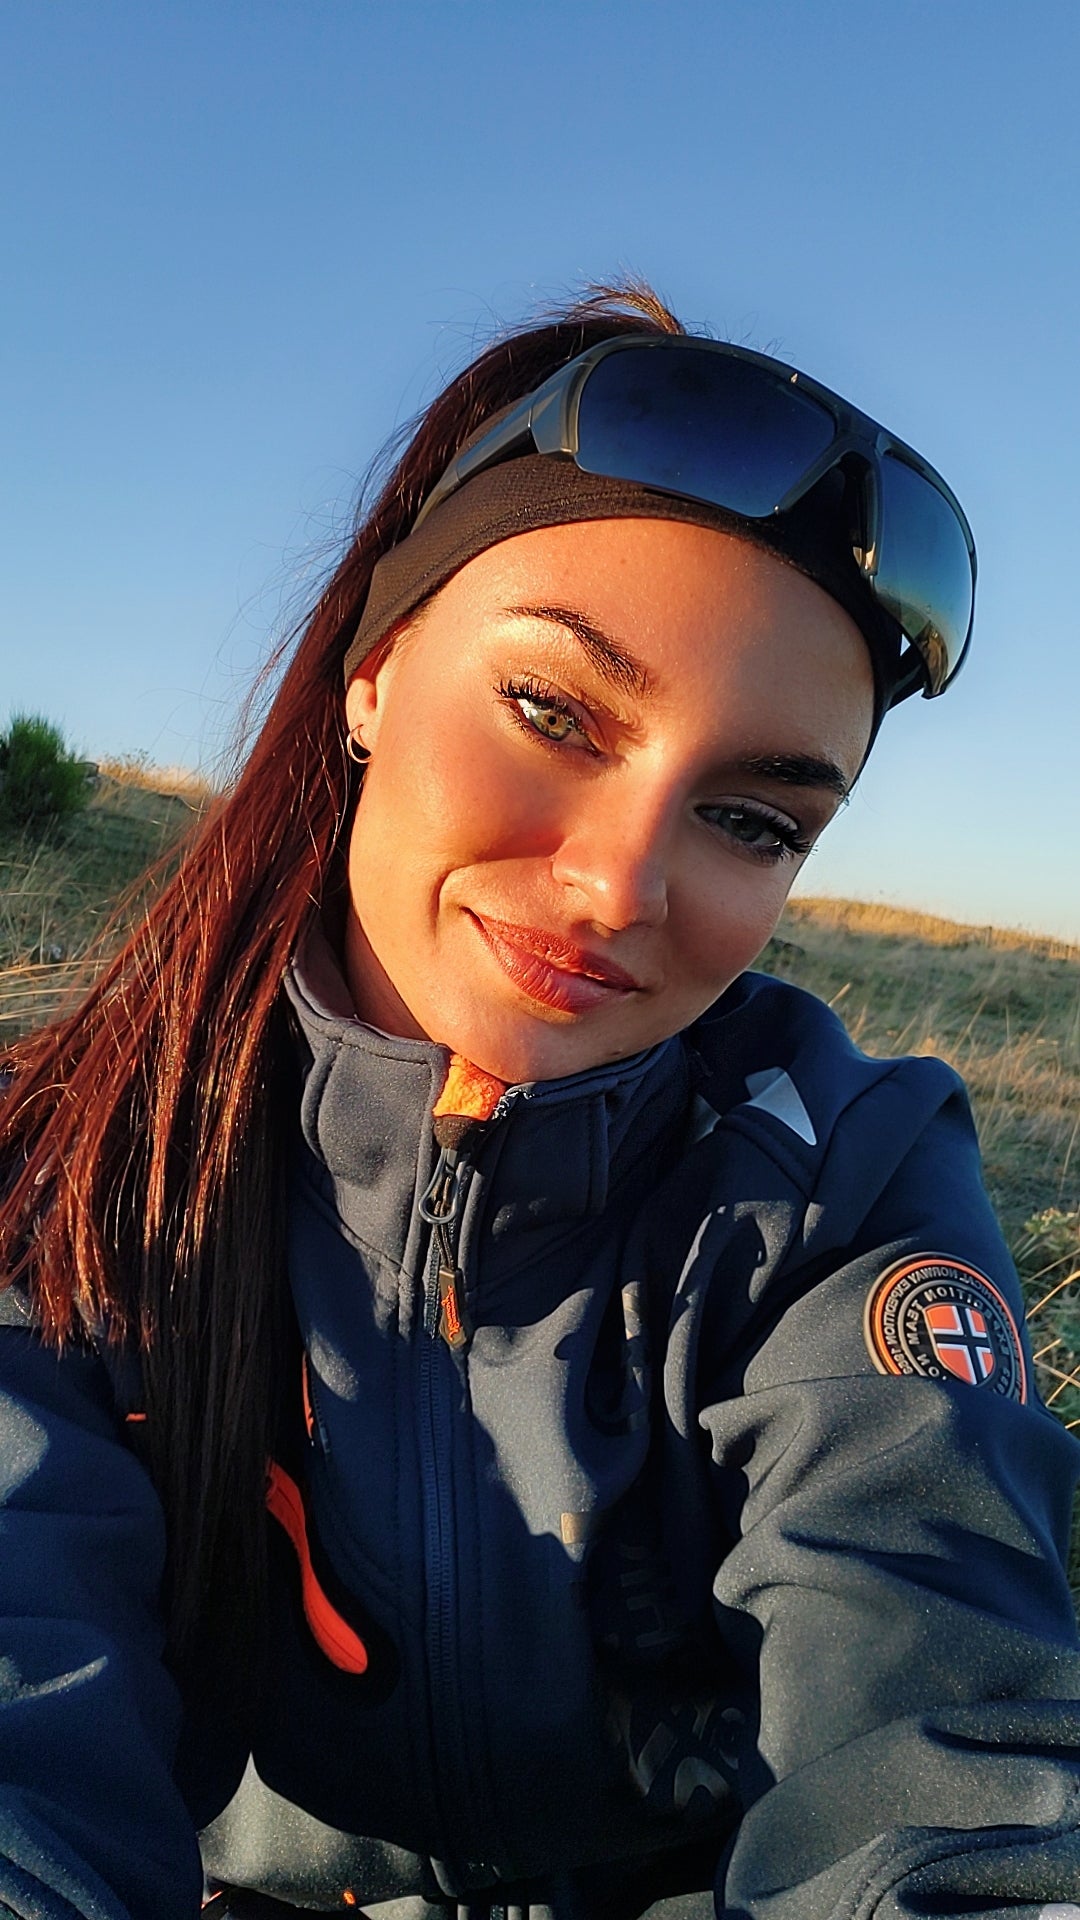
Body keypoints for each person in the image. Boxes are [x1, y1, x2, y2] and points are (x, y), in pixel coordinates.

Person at [1, 283, 1079, 1920]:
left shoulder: (843, 1183)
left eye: (754, 820)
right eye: (556, 712)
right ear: (373, 675)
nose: (620, 886)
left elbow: (939, 1724)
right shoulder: (76, 1162)